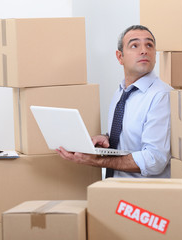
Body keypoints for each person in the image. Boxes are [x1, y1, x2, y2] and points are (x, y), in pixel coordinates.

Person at [56, 25, 172, 178]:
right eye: (135, 45)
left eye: (149, 45)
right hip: (115, 189)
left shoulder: (162, 95)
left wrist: (97, 161)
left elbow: (154, 160)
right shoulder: (121, 92)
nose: (144, 50)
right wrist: (106, 139)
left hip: (142, 195)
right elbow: (131, 137)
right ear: (120, 57)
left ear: (155, 56)